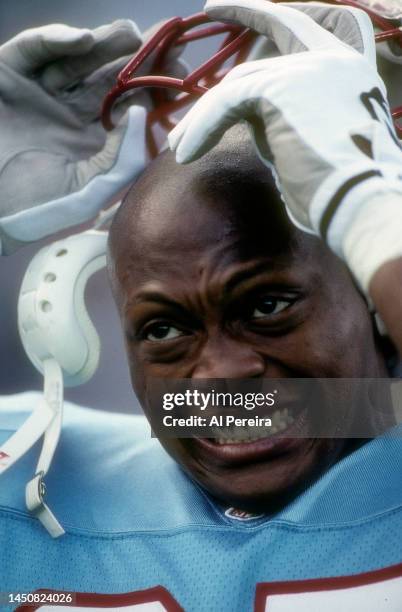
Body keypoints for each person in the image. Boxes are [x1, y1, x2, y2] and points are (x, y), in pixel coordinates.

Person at [1, 1, 402, 610]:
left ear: (377, 307)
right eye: (162, 329)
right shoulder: (31, 467)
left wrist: (372, 215)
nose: (219, 374)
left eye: (267, 306)